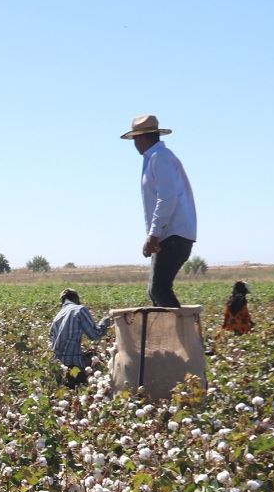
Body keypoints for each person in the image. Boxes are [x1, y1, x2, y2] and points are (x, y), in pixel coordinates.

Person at [122, 114, 197, 308]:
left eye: (135, 139)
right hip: (168, 235)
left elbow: (167, 198)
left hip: (173, 235)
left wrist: (153, 235)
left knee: (159, 289)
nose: (134, 144)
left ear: (141, 137)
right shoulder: (154, 158)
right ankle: (171, 335)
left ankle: (182, 335)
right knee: (155, 291)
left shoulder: (160, 158)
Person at [49, 289, 112, 387]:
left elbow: (56, 343)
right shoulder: (79, 309)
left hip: (59, 368)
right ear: (75, 299)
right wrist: (106, 321)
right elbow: (95, 335)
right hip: (74, 367)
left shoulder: (57, 317)